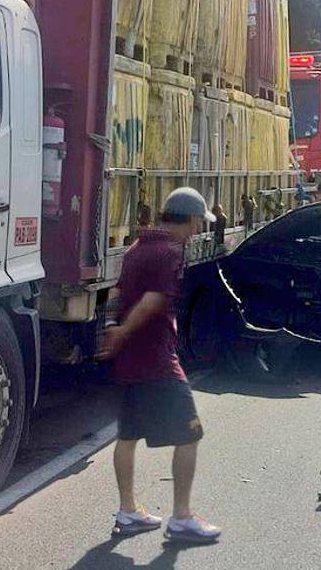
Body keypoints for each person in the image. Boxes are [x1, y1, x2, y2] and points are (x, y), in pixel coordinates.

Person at [99, 187, 222, 543]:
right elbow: (153, 300)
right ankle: (182, 517)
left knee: (127, 435)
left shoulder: (138, 248)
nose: (199, 229)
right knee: (191, 432)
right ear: (191, 219)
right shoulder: (171, 252)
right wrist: (122, 331)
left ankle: (128, 511)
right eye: (199, 222)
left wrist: (112, 328)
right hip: (157, 359)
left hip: (128, 363)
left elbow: (119, 293)